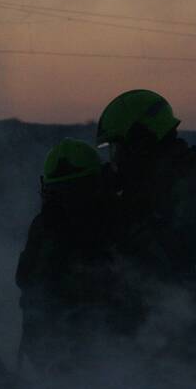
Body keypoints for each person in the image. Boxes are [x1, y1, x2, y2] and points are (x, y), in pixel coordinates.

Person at [96, 89, 196, 373]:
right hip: (160, 318)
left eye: (119, 148)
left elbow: (179, 255)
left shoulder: (190, 181)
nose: (116, 159)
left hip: (180, 321)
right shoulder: (156, 175)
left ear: (141, 141)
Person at [15, 138, 167, 373]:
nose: (69, 203)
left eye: (72, 192)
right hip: (101, 353)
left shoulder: (46, 226)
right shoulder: (121, 219)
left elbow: (26, 280)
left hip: (67, 352)